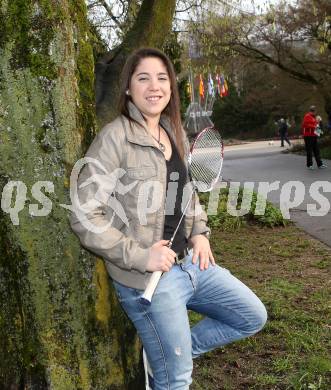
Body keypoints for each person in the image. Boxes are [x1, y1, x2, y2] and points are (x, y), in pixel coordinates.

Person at [69, 47, 267, 390]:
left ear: (172, 88)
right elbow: (84, 214)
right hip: (148, 280)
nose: (154, 86)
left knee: (251, 316)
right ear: (129, 88)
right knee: (176, 381)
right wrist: (141, 255)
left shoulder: (173, 133)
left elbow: (186, 194)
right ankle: (168, 361)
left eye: (162, 78)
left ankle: (166, 354)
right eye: (143, 78)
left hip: (191, 267)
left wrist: (200, 233)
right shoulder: (115, 137)